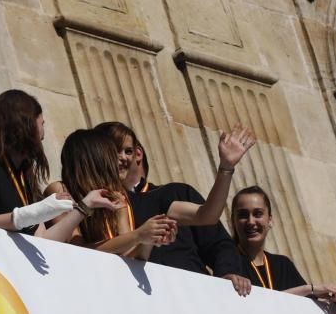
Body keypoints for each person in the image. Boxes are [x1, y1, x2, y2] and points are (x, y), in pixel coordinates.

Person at [95, 121, 256, 296]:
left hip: (191, 297)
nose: (121, 158)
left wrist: (226, 167)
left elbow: (211, 225)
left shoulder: (171, 194)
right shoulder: (97, 207)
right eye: (111, 152)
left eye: (126, 151)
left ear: (137, 153)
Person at [0, 90, 126, 241]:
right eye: (42, 124)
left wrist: (84, 206)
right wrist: (34, 213)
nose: (43, 134)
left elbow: (44, 238)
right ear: (25, 124)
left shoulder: (23, 172)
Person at [54, 129, 176, 257]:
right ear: (94, 159)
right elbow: (77, 250)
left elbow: (130, 255)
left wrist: (150, 239)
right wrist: (139, 235)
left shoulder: (116, 196)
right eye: (111, 155)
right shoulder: (60, 189)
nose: (119, 161)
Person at [232, 186, 336, 309]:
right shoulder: (228, 262)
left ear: (269, 220)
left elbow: (310, 307)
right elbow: (255, 307)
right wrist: (309, 289)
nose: (251, 221)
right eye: (243, 215)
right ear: (233, 221)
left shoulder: (283, 264)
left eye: (258, 214)